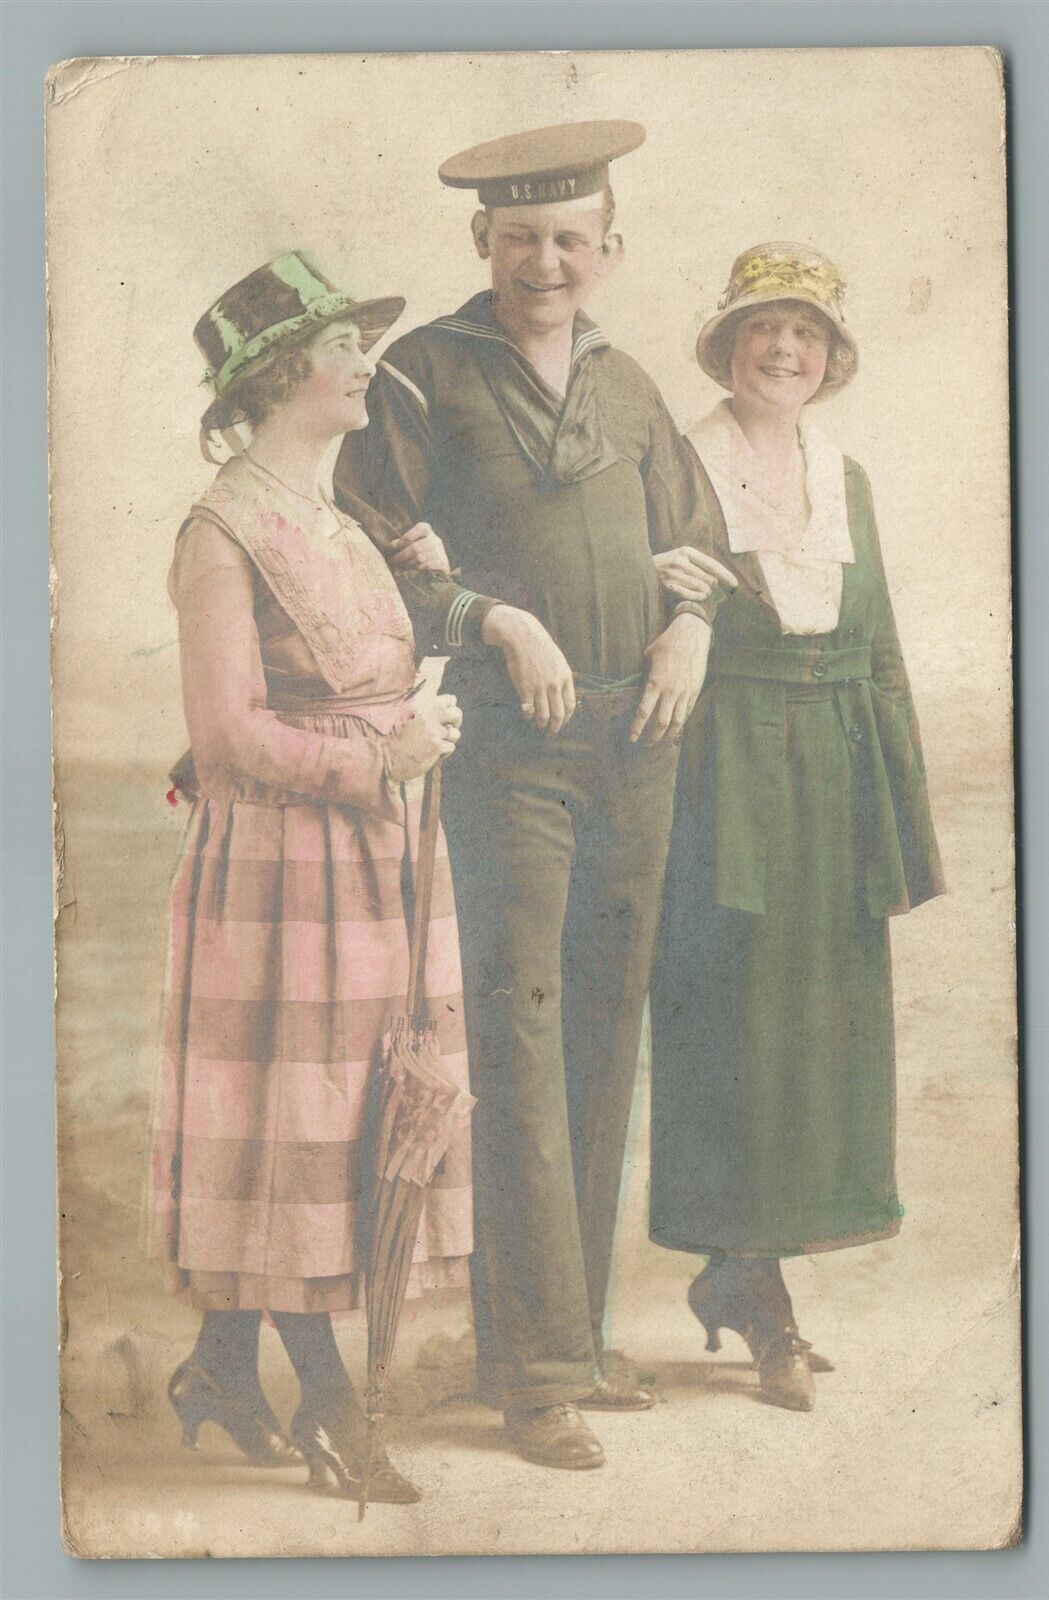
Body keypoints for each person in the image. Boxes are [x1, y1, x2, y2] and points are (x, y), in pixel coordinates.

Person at [335, 122, 735, 1470]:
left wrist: (689, 630)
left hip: (638, 741)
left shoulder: (627, 386)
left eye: (570, 238)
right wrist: (492, 616)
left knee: (600, 1031)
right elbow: (377, 559)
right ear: (480, 246)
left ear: (606, 251)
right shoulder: (419, 376)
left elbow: (694, 540)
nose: (544, 261)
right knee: (517, 1029)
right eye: (519, 239)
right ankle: (533, 1371)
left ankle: (569, 1333)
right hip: (505, 751)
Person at [154, 252, 470, 1503]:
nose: (363, 364)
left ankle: (224, 1369)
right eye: (343, 345)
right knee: (302, 1123)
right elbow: (226, 734)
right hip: (281, 871)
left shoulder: (342, 519)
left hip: (373, 858)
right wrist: (380, 759)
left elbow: (375, 659)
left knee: (342, 1116)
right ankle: (331, 1408)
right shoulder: (220, 532)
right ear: (282, 375)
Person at [648, 243, 945, 1410]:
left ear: (829, 358)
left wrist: (899, 820)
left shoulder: (847, 474)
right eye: (762, 330)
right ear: (726, 345)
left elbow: (876, 647)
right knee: (737, 1027)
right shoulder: (680, 464)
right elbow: (645, 614)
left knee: (823, 1030)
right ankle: (755, 1285)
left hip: (834, 776)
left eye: (805, 335)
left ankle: (745, 1274)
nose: (783, 351)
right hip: (725, 773)